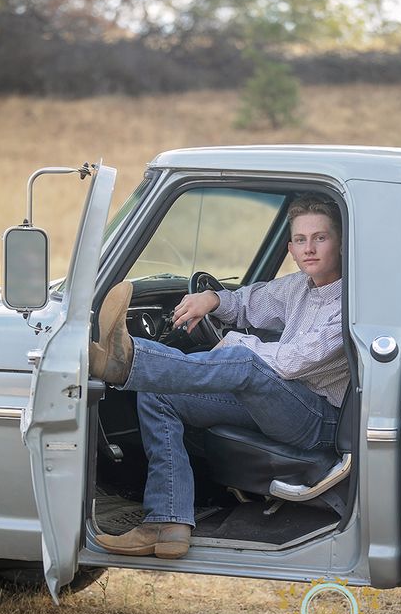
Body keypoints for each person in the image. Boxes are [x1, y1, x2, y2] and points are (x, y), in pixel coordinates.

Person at [91, 193, 349, 560]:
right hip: (280, 402)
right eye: (301, 240)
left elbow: (293, 362)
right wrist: (212, 300)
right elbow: (248, 301)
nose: (310, 248)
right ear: (290, 247)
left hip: (318, 419)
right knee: (161, 391)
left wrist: (230, 345)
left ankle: (125, 360)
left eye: (320, 238)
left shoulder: (353, 301)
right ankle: (168, 523)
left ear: (339, 242)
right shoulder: (299, 287)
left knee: (243, 364)